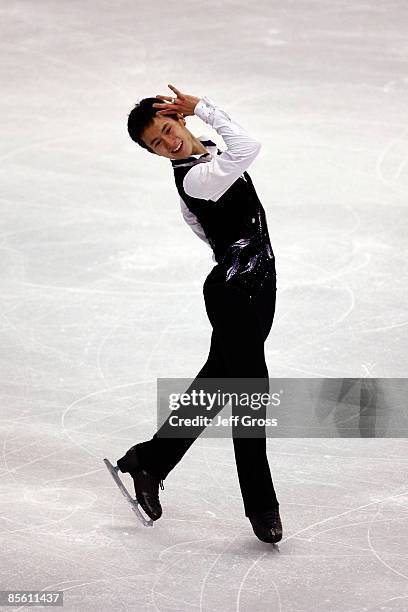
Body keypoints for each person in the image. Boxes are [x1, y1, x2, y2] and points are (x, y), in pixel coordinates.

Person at [115, 84, 282, 544]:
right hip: (234, 295)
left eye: (168, 130)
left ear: (179, 123)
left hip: (259, 287)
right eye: (156, 144)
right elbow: (249, 147)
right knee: (252, 394)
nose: (167, 143)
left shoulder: (207, 154)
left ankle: (149, 462)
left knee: (216, 385)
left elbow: (204, 229)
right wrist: (202, 107)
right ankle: (261, 507)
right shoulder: (193, 177)